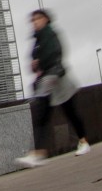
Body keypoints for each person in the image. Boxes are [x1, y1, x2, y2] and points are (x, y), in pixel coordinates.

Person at [16, 9, 90, 168]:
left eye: (38, 19)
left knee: (70, 112)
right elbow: (33, 59)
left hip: (58, 79)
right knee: (41, 116)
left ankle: (83, 142)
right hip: (46, 82)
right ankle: (38, 153)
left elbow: (56, 53)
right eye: (33, 20)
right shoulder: (37, 40)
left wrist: (40, 63)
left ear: (46, 20)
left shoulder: (51, 34)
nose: (35, 22)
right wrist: (34, 65)